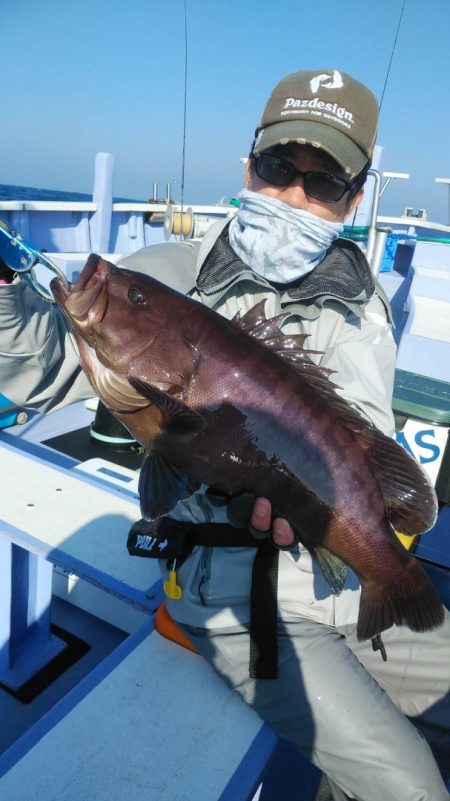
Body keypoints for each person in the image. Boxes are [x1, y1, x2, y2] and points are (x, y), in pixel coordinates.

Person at [1, 69, 449, 801]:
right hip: (233, 604)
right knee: (417, 791)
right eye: (278, 169)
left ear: (354, 199)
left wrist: (349, 533)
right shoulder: (173, 274)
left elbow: (355, 447)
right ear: (248, 166)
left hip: (339, 575)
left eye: (324, 182)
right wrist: (5, 295)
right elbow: (42, 368)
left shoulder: (360, 299)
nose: (294, 196)